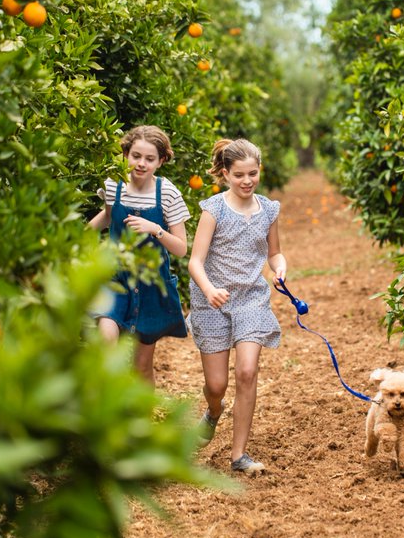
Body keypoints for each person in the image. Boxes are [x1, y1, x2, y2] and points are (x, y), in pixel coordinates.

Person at [187, 138, 286, 475]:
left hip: (251, 300)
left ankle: (239, 454)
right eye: (240, 175)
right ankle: (214, 412)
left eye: (253, 174)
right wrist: (210, 289)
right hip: (211, 301)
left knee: (247, 372)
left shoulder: (269, 210)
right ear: (226, 174)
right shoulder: (213, 209)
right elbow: (195, 261)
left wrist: (279, 268)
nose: (247, 181)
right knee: (217, 386)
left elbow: (274, 252)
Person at [88, 125, 191, 386]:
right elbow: (109, 216)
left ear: (161, 160)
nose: (141, 164)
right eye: (136, 156)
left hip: (150, 285)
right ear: (125, 154)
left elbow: (181, 248)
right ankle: (114, 412)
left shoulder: (167, 193)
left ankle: (144, 423)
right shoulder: (114, 185)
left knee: (143, 367)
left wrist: (156, 230)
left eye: (149, 159)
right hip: (115, 279)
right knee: (107, 340)